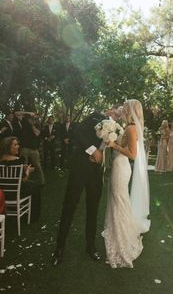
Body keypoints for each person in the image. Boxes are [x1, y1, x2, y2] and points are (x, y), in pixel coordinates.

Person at [52, 111, 105, 266]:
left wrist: (101, 152)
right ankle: (59, 248)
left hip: (96, 173)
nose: (119, 111)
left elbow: (111, 147)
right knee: (69, 207)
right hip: (80, 168)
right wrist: (92, 150)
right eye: (118, 108)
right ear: (113, 108)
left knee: (93, 209)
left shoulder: (118, 128)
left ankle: (90, 246)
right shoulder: (96, 116)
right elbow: (78, 133)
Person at [103, 99, 150, 268]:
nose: (122, 110)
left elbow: (132, 154)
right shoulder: (129, 127)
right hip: (119, 166)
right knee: (118, 200)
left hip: (122, 166)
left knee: (120, 201)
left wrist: (113, 145)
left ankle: (123, 241)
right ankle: (118, 234)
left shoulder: (130, 128)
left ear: (130, 111)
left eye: (125, 108)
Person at [0, 136, 41, 222]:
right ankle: (33, 216)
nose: (18, 146)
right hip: (15, 193)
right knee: (36, 186)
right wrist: (27, 172)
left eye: (18, 144)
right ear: (8, 147)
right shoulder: (19, 161)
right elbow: (23, 180)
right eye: (15, 145)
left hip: (2, 193)